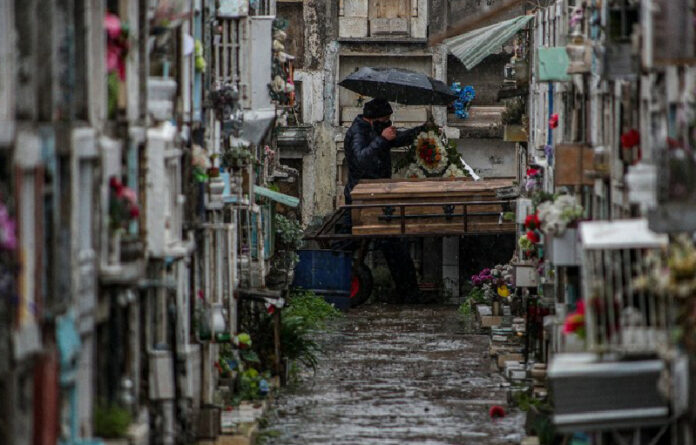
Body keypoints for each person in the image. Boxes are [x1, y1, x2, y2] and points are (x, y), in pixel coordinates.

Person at [342, 97, 427, 303]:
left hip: (376, 197)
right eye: (385, 120)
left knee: (395, 246)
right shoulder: (357, 132)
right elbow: (361, 160)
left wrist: (422, 130)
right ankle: (408, 294)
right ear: (373, 120)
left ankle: (408, 294)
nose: (389, 124)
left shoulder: (373, 130)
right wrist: (382, 140)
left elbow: (398, 138)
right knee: (390, 245)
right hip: (365, 201)